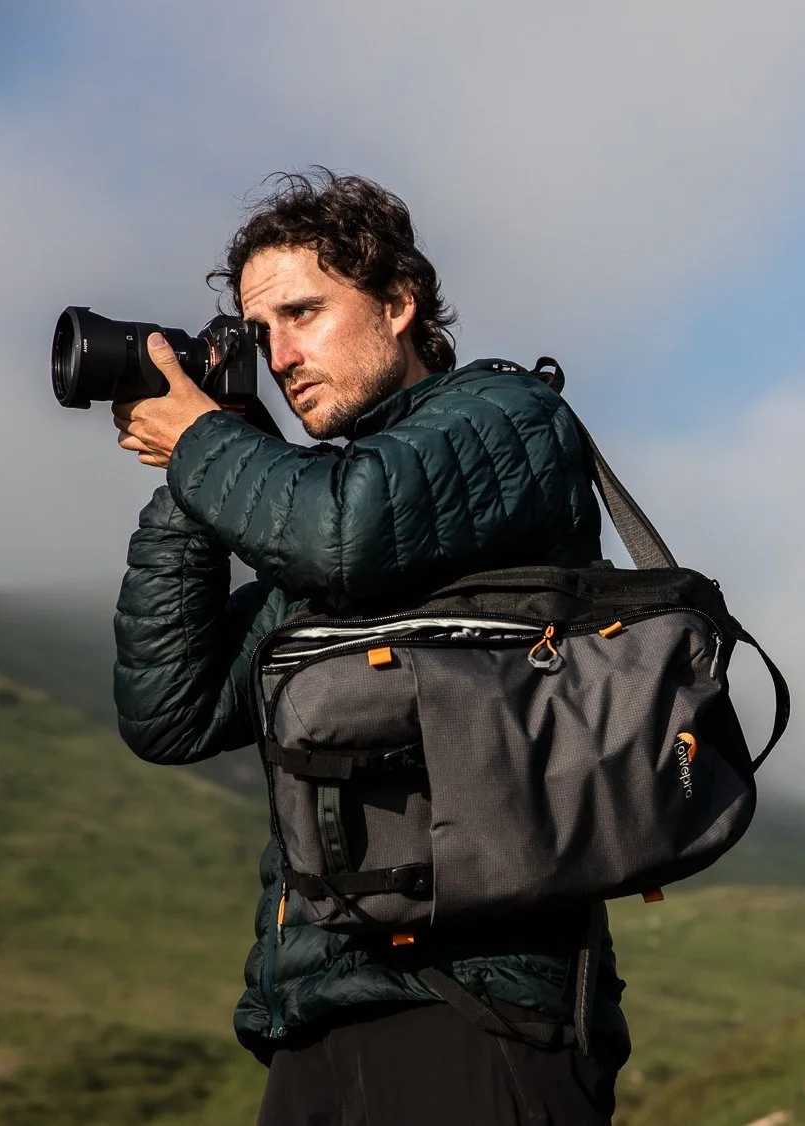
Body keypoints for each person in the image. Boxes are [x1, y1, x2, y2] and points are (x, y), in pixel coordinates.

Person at [111, 169, 630, 1124]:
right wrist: (201, 464)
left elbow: (342, 527)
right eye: (262, 335)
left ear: (398, 303)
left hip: (479, 1010)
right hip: (315, 1013)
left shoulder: (505, 422)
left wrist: (202, 444)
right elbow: (171, 711)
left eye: (303, 314)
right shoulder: (329, 526)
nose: (282, 355)